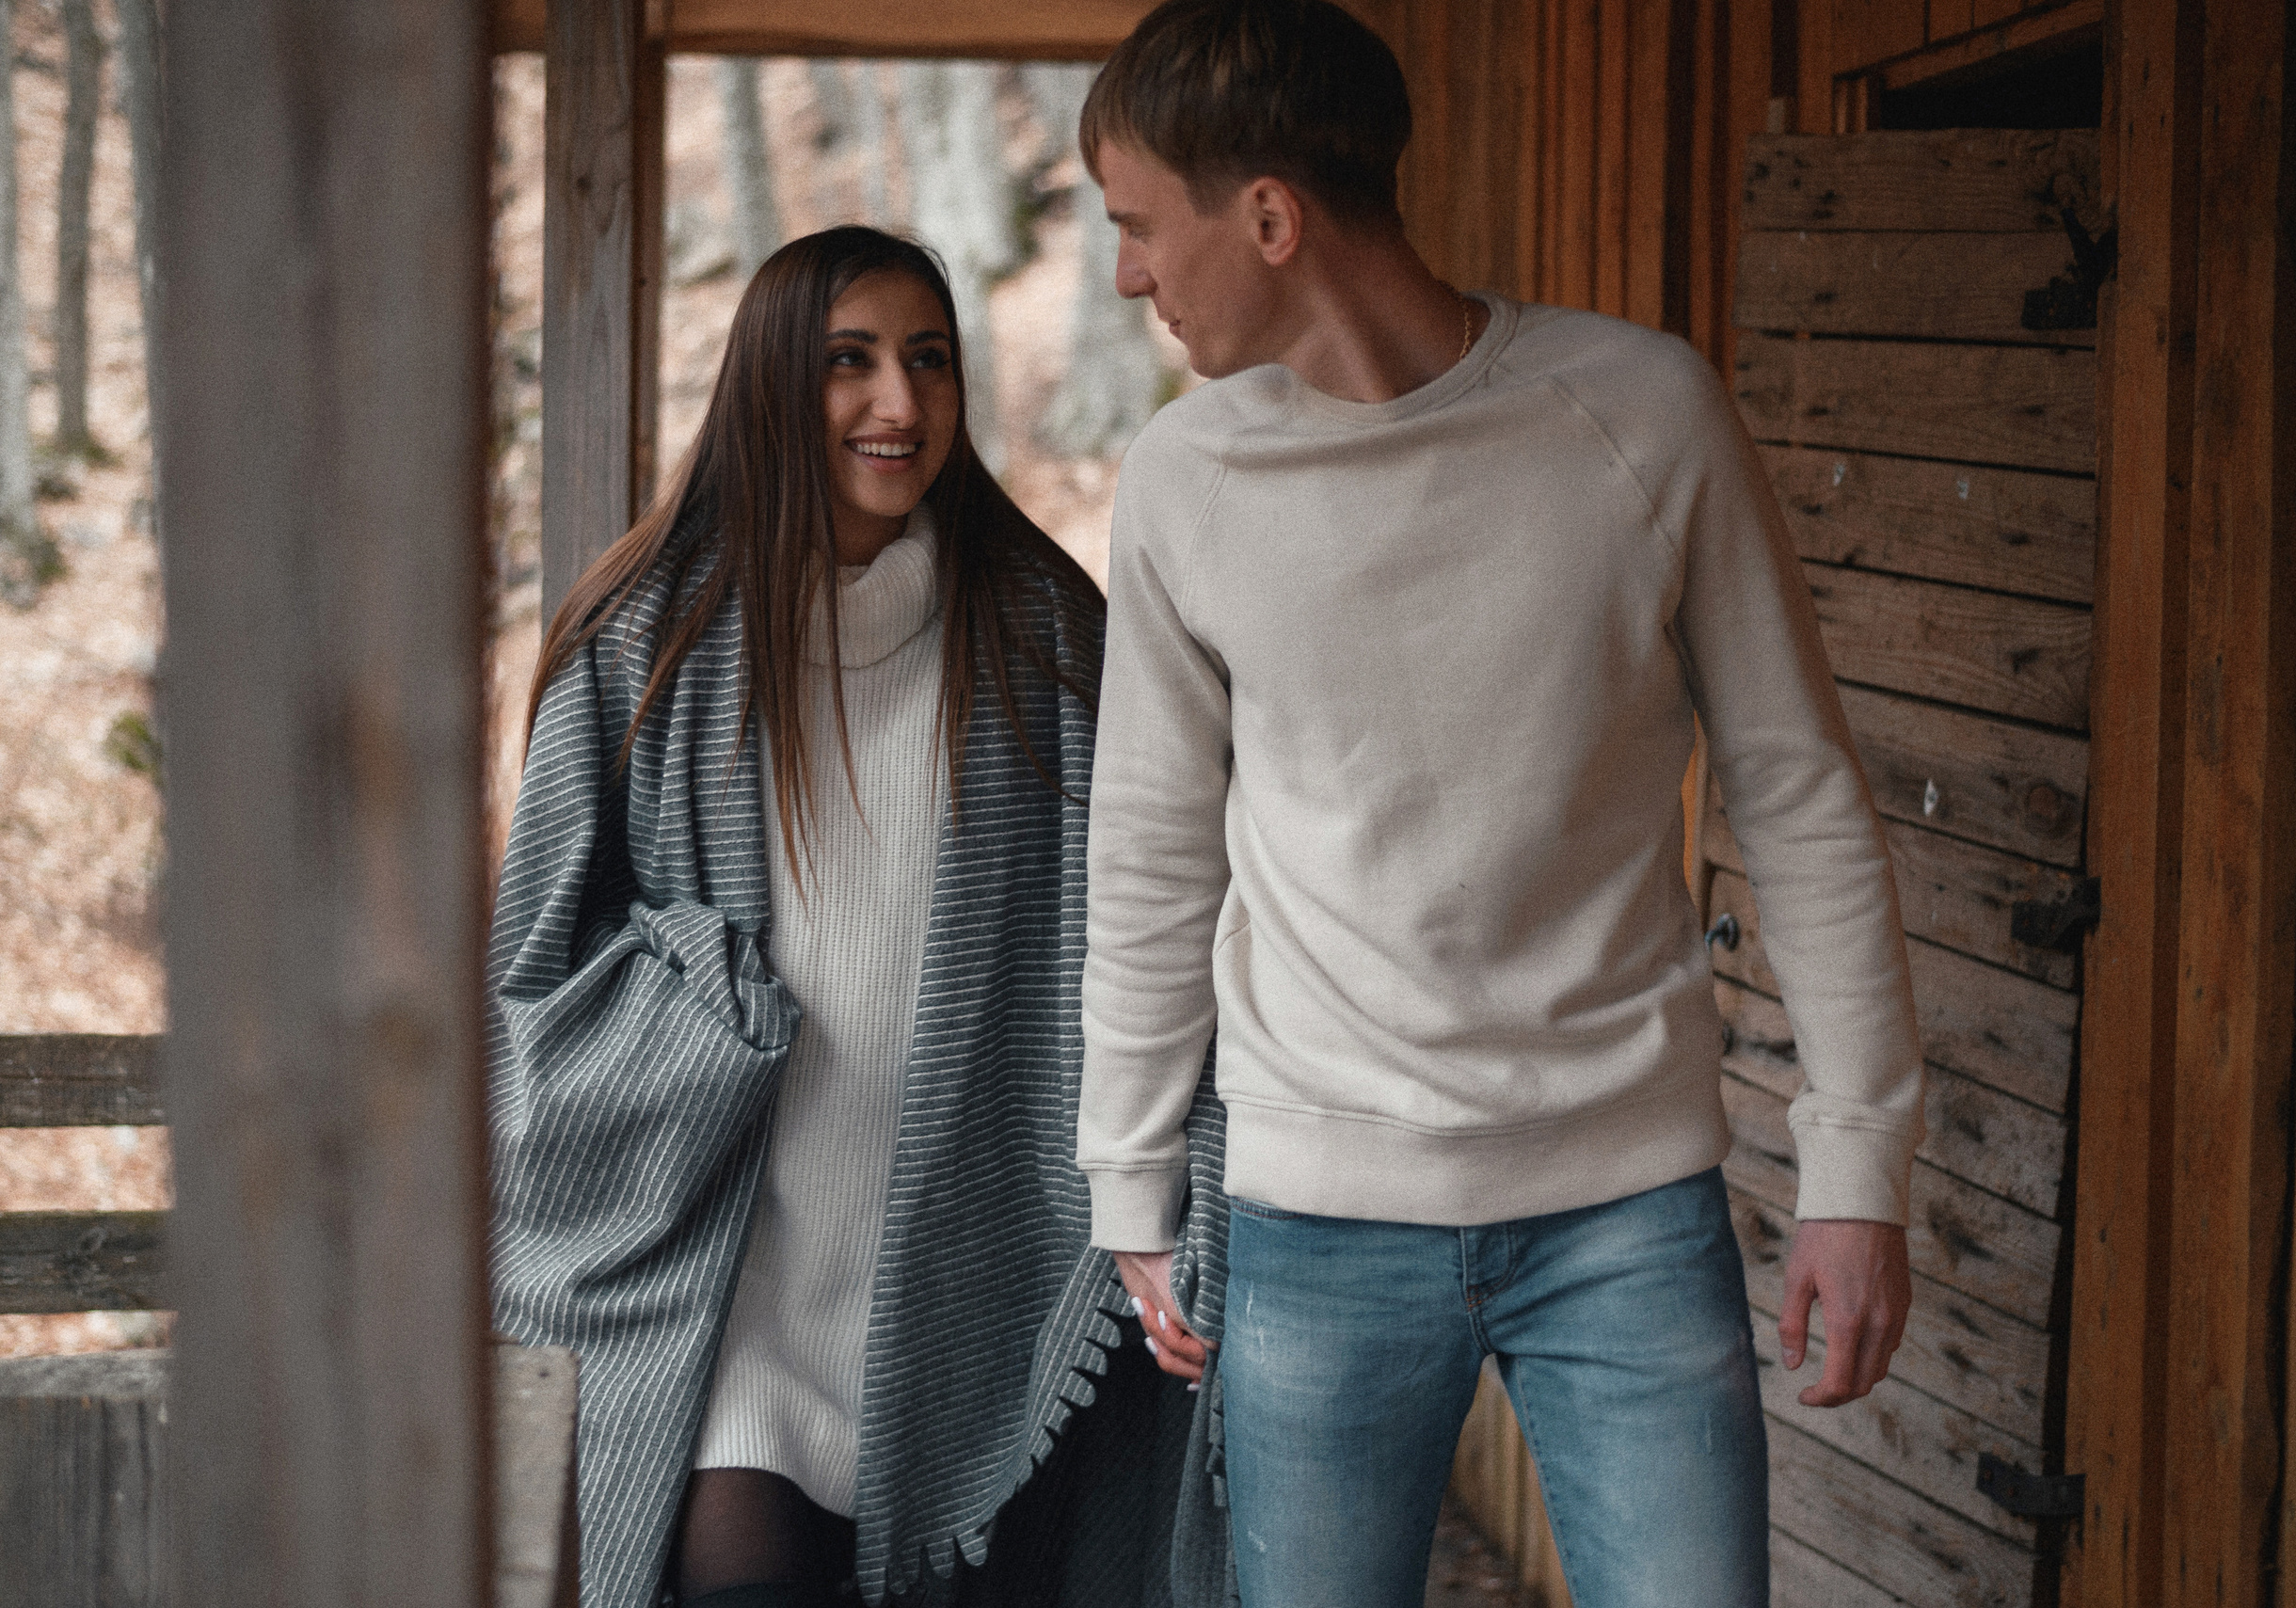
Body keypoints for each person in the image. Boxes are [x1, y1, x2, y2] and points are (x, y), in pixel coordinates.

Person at [1072, 5, 1928, 1605]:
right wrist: (1128, 1172)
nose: (1128, 274)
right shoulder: (1183, 483)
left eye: (1137, 224)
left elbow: (1798, 794)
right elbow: (1152, 846)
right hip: (1318, 1216)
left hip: (1627, 1206)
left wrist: (1858, 1164)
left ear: (1268, 217)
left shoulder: (1643, 414)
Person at [486, 227, 1216, 1608]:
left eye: (929, 360)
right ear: (771, 382)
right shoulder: (641, 643)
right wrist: (686, 984)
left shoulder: (1047, 633)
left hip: (970, 1256)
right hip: (726, 1272)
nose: (900, 403)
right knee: (731, 1569)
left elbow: (1159, 912)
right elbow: (532, 978)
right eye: (852, 361)